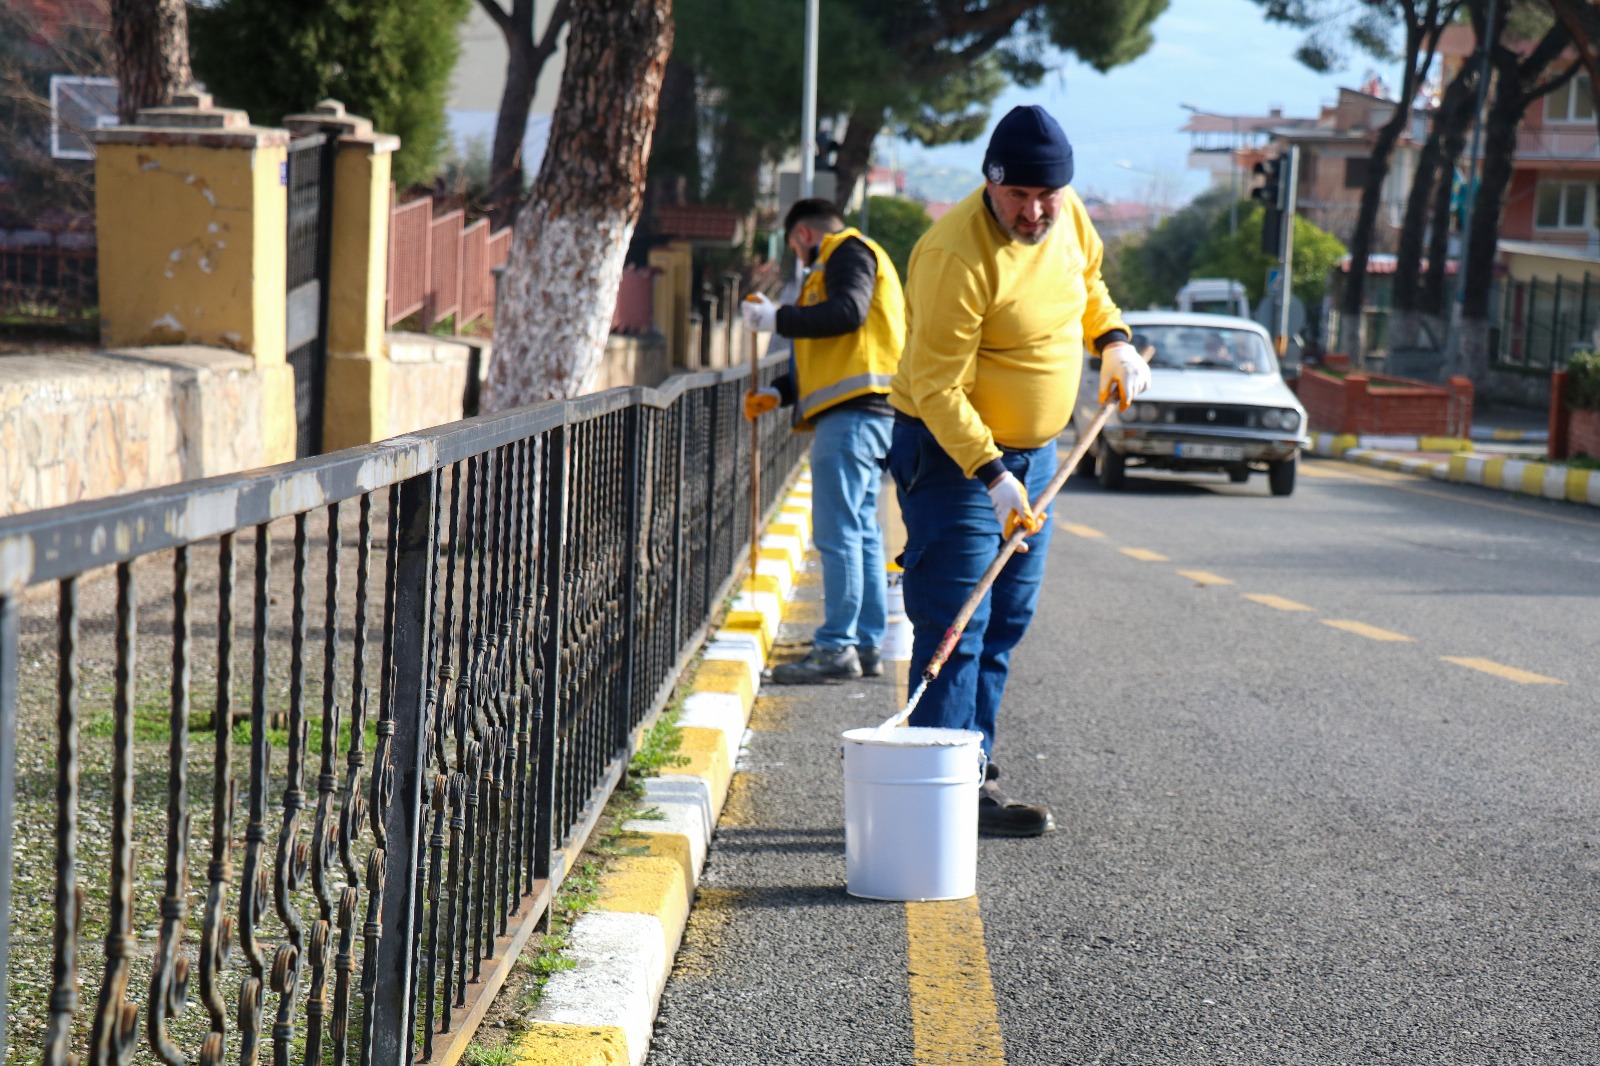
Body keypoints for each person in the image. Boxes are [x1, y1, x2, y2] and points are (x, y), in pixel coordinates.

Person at [887, 105, 1150, 836]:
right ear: (989, 185)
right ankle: (949, 796)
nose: (1034, 213)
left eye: (1047, 198)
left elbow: (1089, 279)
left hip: (1036, 459)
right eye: (1018, 198)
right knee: (955, 620)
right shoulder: (955, 257)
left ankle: (967, 757)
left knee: (1006, 618)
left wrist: (1115, 340)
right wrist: (993, 475)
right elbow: (938, 388)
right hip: (956, 458)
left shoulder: (1068, 221)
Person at [742, 198, 907, 683]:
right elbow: (834, 351)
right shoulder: (848, 257)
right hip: (867, 412)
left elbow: (847, 314)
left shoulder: (847, 252)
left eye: (794, 246)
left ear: (803, 236)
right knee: (862, 532)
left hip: (853, 418)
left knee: (837, 535)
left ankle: (837, 646)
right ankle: (865, 643)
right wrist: (778, 393)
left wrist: (779, 319)